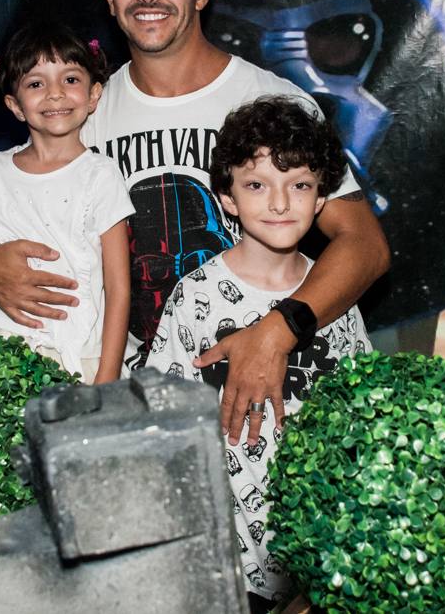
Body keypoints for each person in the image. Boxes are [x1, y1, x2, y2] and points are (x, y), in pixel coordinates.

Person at [0, 0, 389, 444]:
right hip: (132, 412)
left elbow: (365, 245)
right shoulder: (79, 115)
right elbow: (2, 205)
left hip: (260, 396)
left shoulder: (272, 101)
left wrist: (277, 332)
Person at [146, 96, 370, 607]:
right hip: (220, 553)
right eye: (256, 184)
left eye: (299, 186)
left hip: (316, 549)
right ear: (226, 197)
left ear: (320, 200)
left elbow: (363, 422)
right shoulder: (195, 296)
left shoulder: (332, 300)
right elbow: (162, 426)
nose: (279, 203)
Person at [0, 23, 133, 384]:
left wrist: (106, 378)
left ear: (93, 94)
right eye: (36, 83)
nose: (55, 94)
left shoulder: (102, 175)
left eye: (70, 79)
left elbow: (118, 288)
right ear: (15, 105)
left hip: (79, 358)